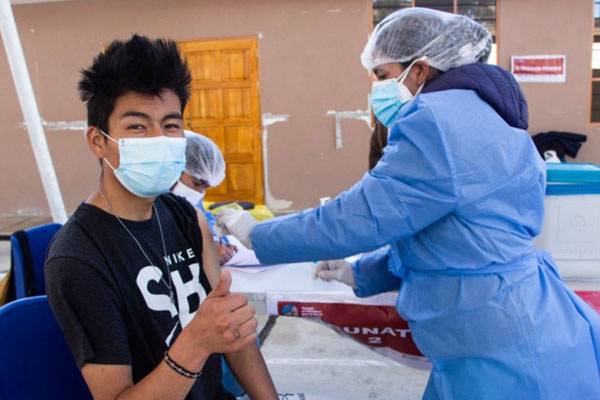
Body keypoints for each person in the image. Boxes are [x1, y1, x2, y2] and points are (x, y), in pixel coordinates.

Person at [218, 8, 600, 400]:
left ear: (419, 70)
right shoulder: (490, 117)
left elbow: (360, 217)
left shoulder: (435, 119)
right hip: (521, 321)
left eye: (381, 74)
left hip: (498, 345)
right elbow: (449, 238)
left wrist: (258, 234)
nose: (376, 89)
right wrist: (360, 273)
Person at [45, 35, 277, 400]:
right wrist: (195, 344)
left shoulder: (185, 216)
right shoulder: (79, 259)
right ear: (98, 141)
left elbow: (234, 334)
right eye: (137, 126)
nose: (158, 139)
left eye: (170, 125)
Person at [171, 131, 237, 265]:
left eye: (205, 187)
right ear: (175, 167)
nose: (199, 192)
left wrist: (217, 241)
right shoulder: (147, 200)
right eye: (197, 183)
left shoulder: (185, 195)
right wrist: (203, 253)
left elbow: (204, 219)